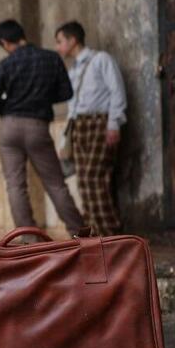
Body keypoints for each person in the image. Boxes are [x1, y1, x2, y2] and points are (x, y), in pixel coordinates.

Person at [0, 19, 84, 235]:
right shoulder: (51, 58)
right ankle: (80, 233)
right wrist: (43, 98)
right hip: (38, 127)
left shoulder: (3, 66)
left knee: (15, 185)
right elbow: (66, 93)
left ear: (4, 42)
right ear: (23, 35)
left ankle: (29, 239)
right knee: (55, 184)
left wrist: (9, 104)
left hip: (9, 127)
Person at [55, 20, 127, 236]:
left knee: (96, 178)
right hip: (80, 127)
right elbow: (72, 108)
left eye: (60, 41)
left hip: (99, 124)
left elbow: (117, 91)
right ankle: (95, 236)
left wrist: (114, 124)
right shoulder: (72, 71)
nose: (58, 47)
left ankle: (111, 234)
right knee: (84, 183)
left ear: (72, 40)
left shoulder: (100, 60)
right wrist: (64, 139)